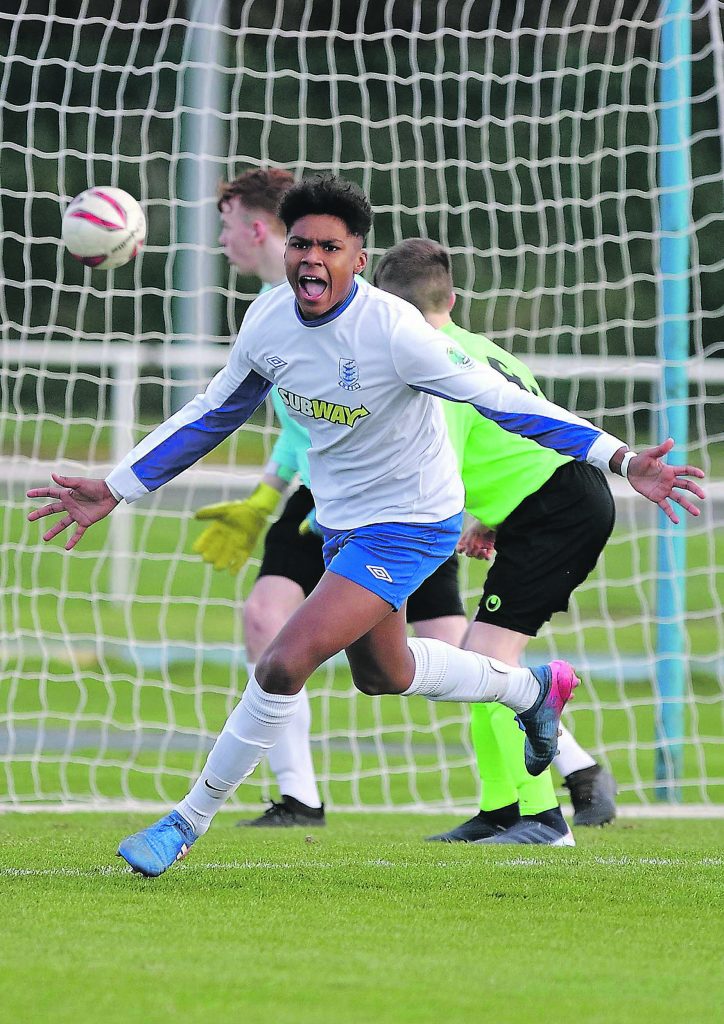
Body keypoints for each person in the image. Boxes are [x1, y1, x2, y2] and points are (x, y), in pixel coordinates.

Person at [27, 175, 705, 876]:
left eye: (330, 246)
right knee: (386, 673)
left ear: (357, 256)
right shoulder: (268, 323)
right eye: (300, 244)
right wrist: (116, 487)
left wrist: (622, 459)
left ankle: (184, 821)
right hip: (344, 522)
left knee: (283, 661)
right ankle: (530, 691)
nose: (311, 259)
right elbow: (212, 413)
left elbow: (506, 403)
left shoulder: (394, 331)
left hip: (413, 523)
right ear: (284, 250)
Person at [373, 239, 622, 843]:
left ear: (382, 307)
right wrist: (490, 519)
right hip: (558, 497)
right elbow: (522, 434)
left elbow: (441, 473)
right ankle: (501, 810)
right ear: (452, 299)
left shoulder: (431, 366)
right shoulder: (483, 350)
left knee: (488, 666)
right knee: (476, 663)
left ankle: (542, 820)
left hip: (557, 509)